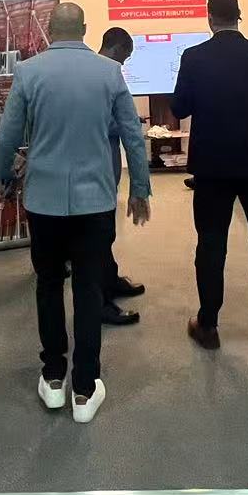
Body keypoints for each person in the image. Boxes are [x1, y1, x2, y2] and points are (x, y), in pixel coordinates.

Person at [0, 2, 151, 423]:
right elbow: (133, 136)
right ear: (84, 29)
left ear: (50, 28)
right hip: (94, 202)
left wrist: (4, 177)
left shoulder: (28, 72)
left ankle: (52, 378)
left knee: (48, 285)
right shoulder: (109, 72)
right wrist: (140, 188)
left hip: (43, 202)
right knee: (88, 290)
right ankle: (84, 388)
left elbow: (6, 136)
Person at [172, 0, 248, 350]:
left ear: (209, 18)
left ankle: (208, 326)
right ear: (239, 16)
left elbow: (179, 108)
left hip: (212, 169)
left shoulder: (193, 57)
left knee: (211, 246)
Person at [97, 26, 148, 327]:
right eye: (126, 57)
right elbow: (103, 123)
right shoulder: (106, 74)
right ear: (116, 48)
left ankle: (111, 280)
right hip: (99, 168)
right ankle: (102, 302)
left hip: (105, 169)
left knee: (106, 232)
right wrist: (126, 121)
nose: (124, 63)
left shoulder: (99, 72)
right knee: (99, 235)